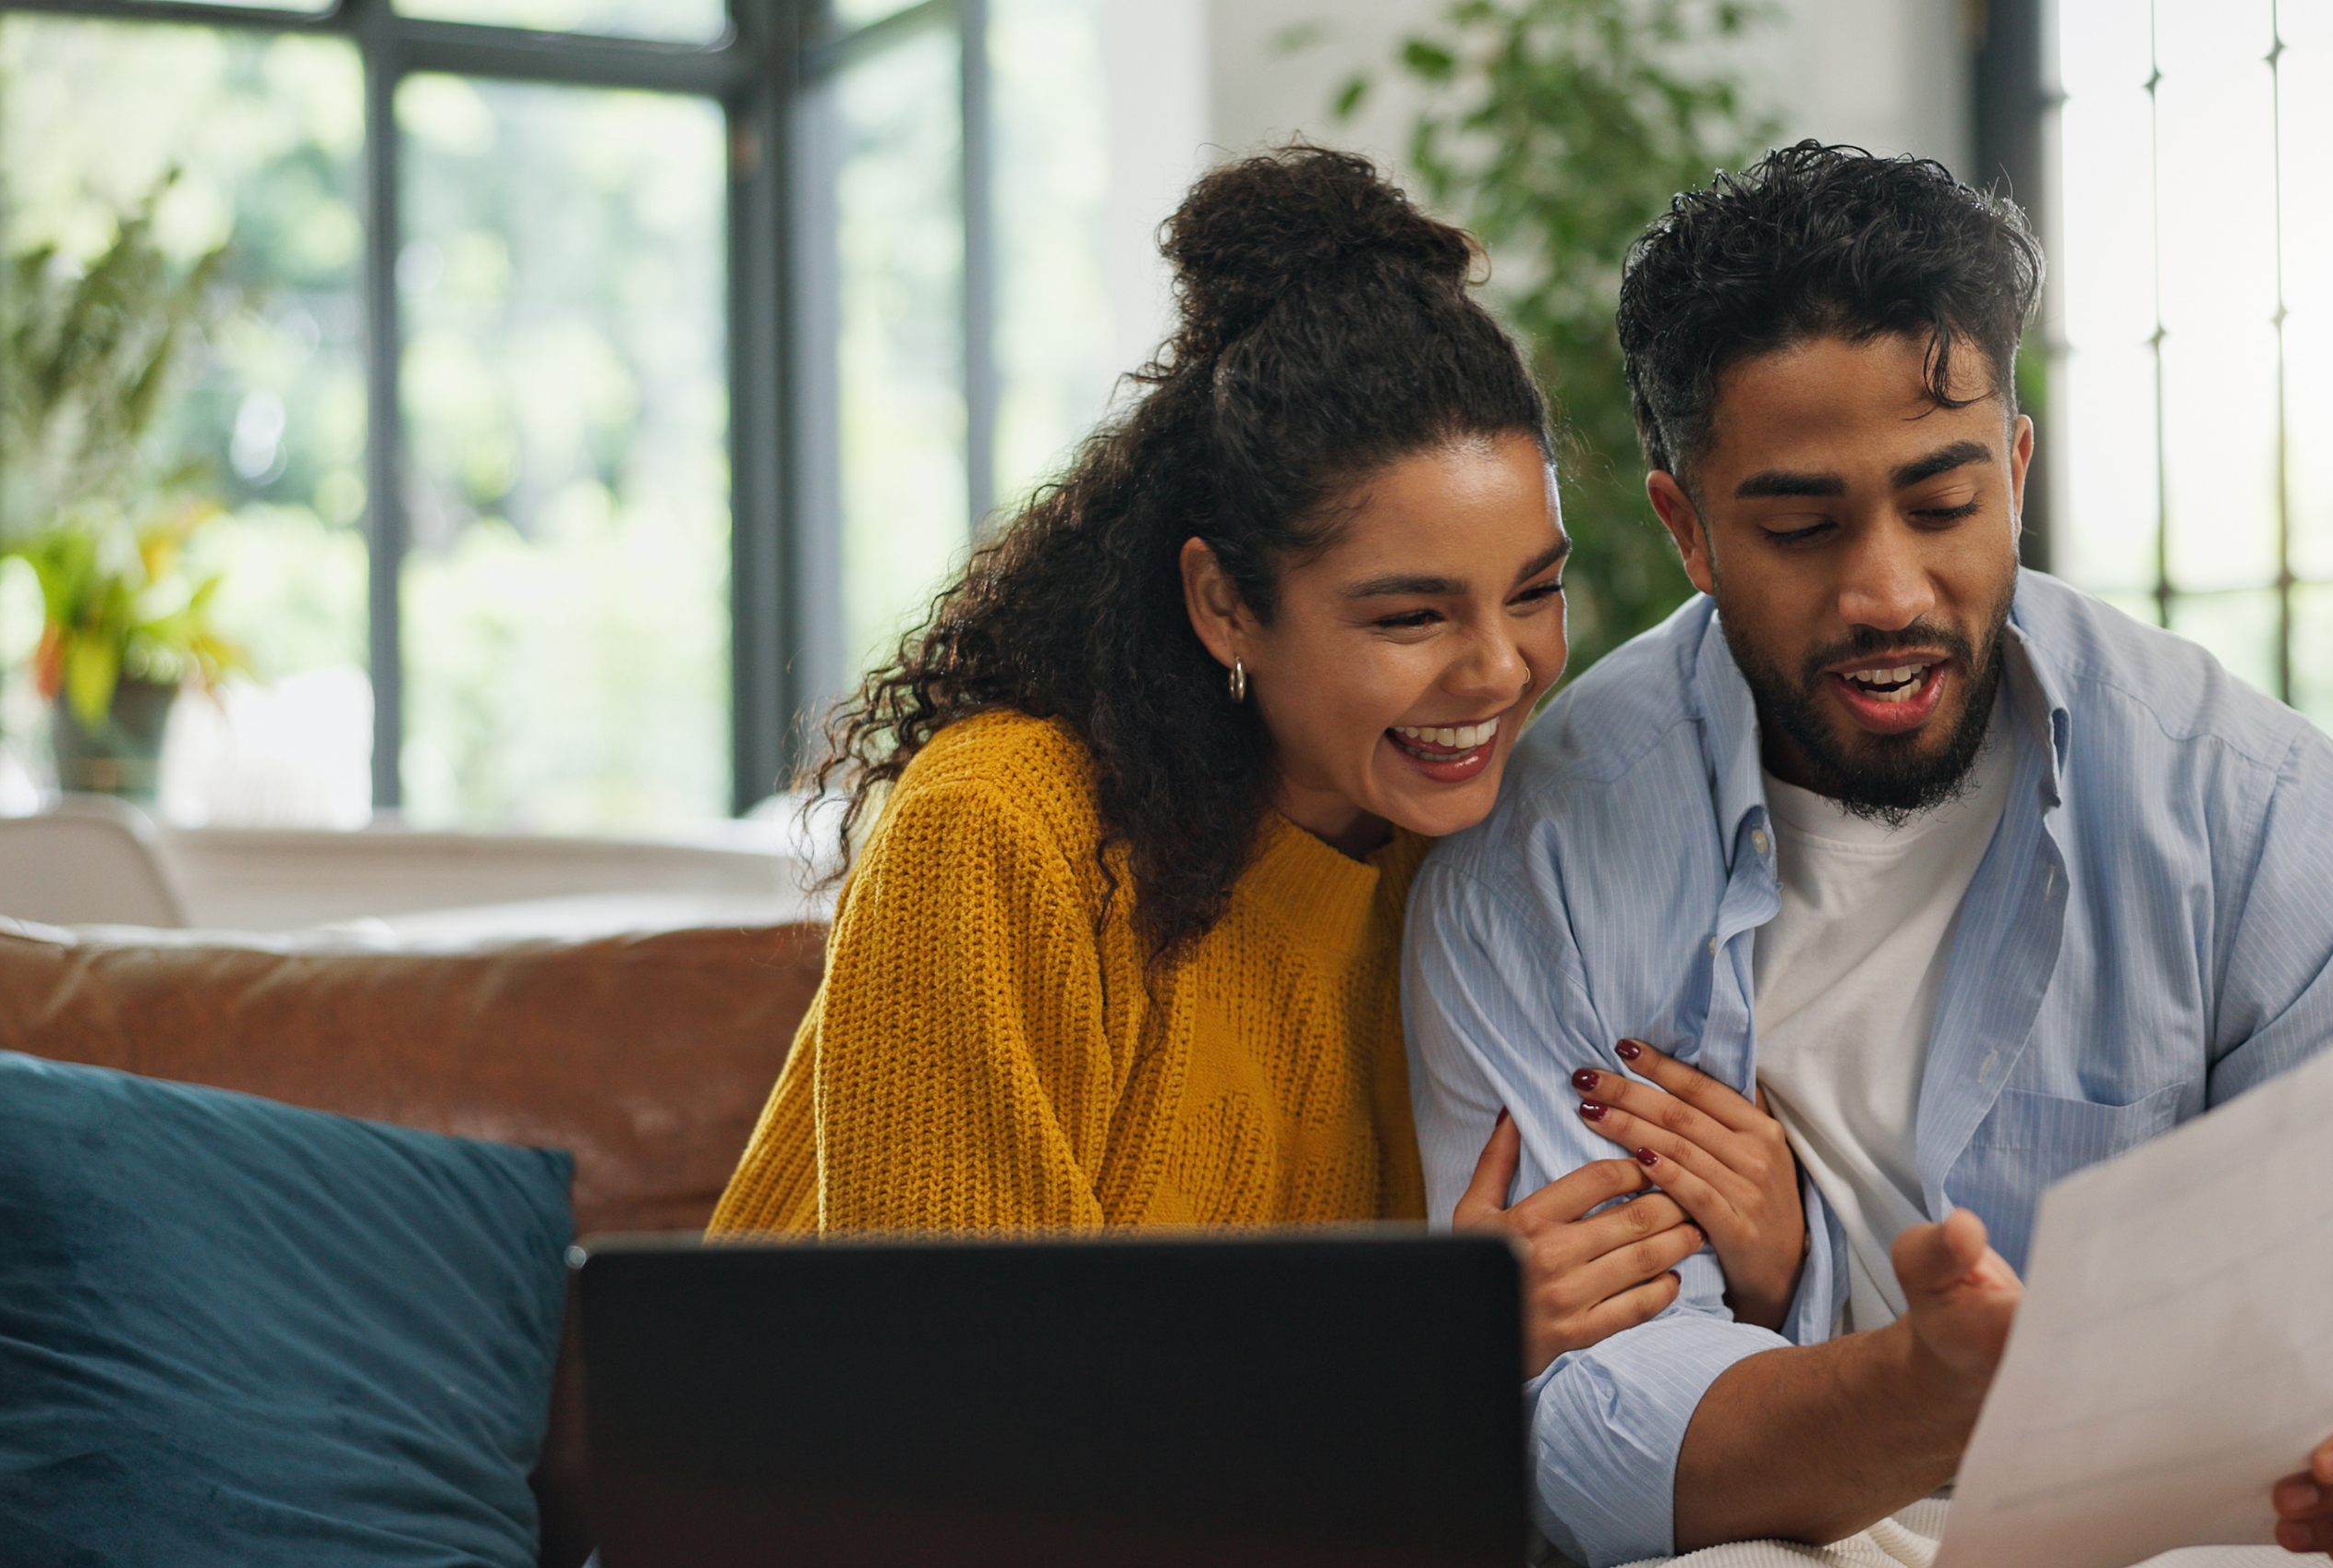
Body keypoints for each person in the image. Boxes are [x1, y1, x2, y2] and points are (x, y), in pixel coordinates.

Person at [1403, 142, 2333, 1565]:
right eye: (1799, 526)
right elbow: (1579, 1417)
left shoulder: (2258, 806)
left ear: (2015, 468)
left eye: (1944, 506)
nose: (1887, 590)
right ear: (1687, 528)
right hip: (1789, 1535)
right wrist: (1925, 1394)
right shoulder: (1538, 858)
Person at [709, 145, 1804, 1376]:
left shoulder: (1479, 849)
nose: (1500, 670)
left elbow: (1604, 1355)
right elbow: (959, 1406)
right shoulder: (997, 833)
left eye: (1534, 592)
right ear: (1225, 604)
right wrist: (1422, 1351)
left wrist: (1763, 1272)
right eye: (1411, 616)